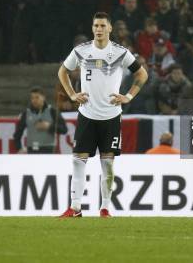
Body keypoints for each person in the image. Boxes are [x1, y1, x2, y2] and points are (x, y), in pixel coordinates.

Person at [57, 12, 148, 218]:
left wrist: (128, 96)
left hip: (111, 115)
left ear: (109, 29)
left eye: (102, 26)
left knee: (107, 162)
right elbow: (62, 71)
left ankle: (105, 207)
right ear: (92, 28)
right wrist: (71, 94)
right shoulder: (81, 51)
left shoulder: (120, 53)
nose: (98, 29)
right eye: (95, 25)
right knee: (78, 160)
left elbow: (142, 74)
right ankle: (76, 207)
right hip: (87, 114)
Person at [13, 87, 67, 154]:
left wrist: (49, 126)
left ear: (43, 97)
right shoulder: (26, 113)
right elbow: (17, 134)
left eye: (37, 97)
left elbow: (64, 130)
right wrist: (19, 148)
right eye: (32, 98)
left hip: (49, 150)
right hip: (31, 150)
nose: (34, 100)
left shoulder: (52, 112)